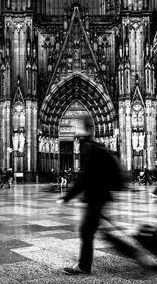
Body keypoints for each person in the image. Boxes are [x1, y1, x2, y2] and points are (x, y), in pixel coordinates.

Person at [59, 115, 118, 275]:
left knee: (87, 231)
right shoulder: (95, 146)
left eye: (77, 126)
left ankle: (84, 266)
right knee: (89, 230)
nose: (74, 129)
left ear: (84, 129)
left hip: (96, 196)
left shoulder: (88, 147)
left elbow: (84, 177)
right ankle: (85, 264)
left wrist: (67, 197)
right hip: (100, 195)